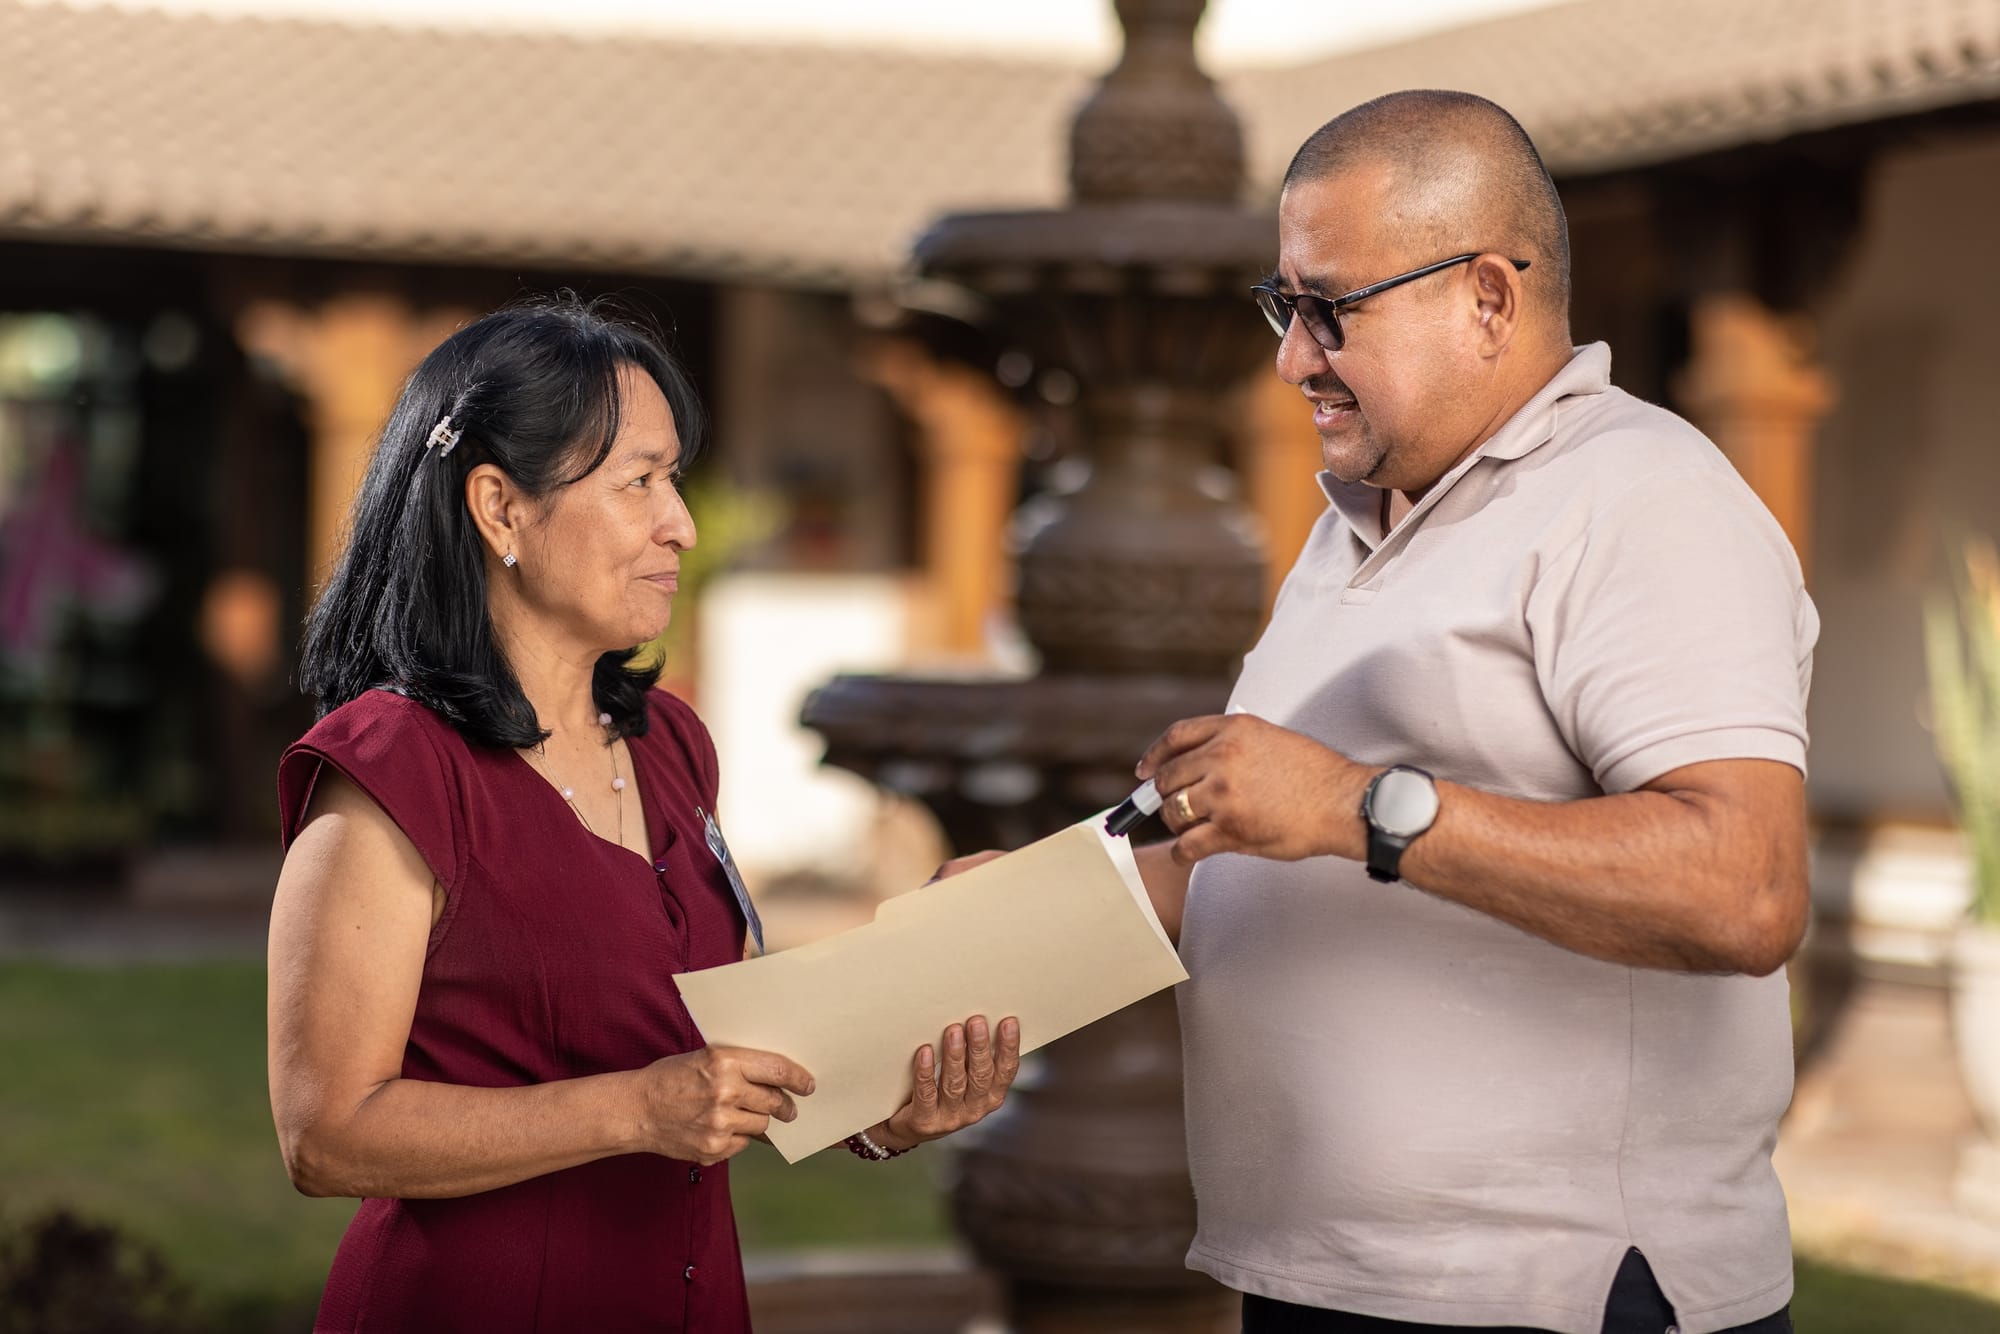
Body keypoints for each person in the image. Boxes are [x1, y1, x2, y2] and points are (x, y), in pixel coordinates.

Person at [1135, 91, 1812, 1334]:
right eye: (1280, 307)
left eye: (1328, 307)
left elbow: (1745, 884)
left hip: (1555, 1295)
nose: (1291, 356)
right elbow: (1250, 846)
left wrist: (1356, 806)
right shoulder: (1360, 525)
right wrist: (994, 935)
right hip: (1334, 1281)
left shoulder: (1641, 499)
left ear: (1487, 298)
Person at [266, 296, 1020, 1333]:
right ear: (498, 508)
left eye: (671, 477)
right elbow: (326, 1132)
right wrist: (634, 1108)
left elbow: (716, 1054)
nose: (683, 522)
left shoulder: (669, 743)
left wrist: (889, 1080)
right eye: (638, 482)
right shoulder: (390, 770)